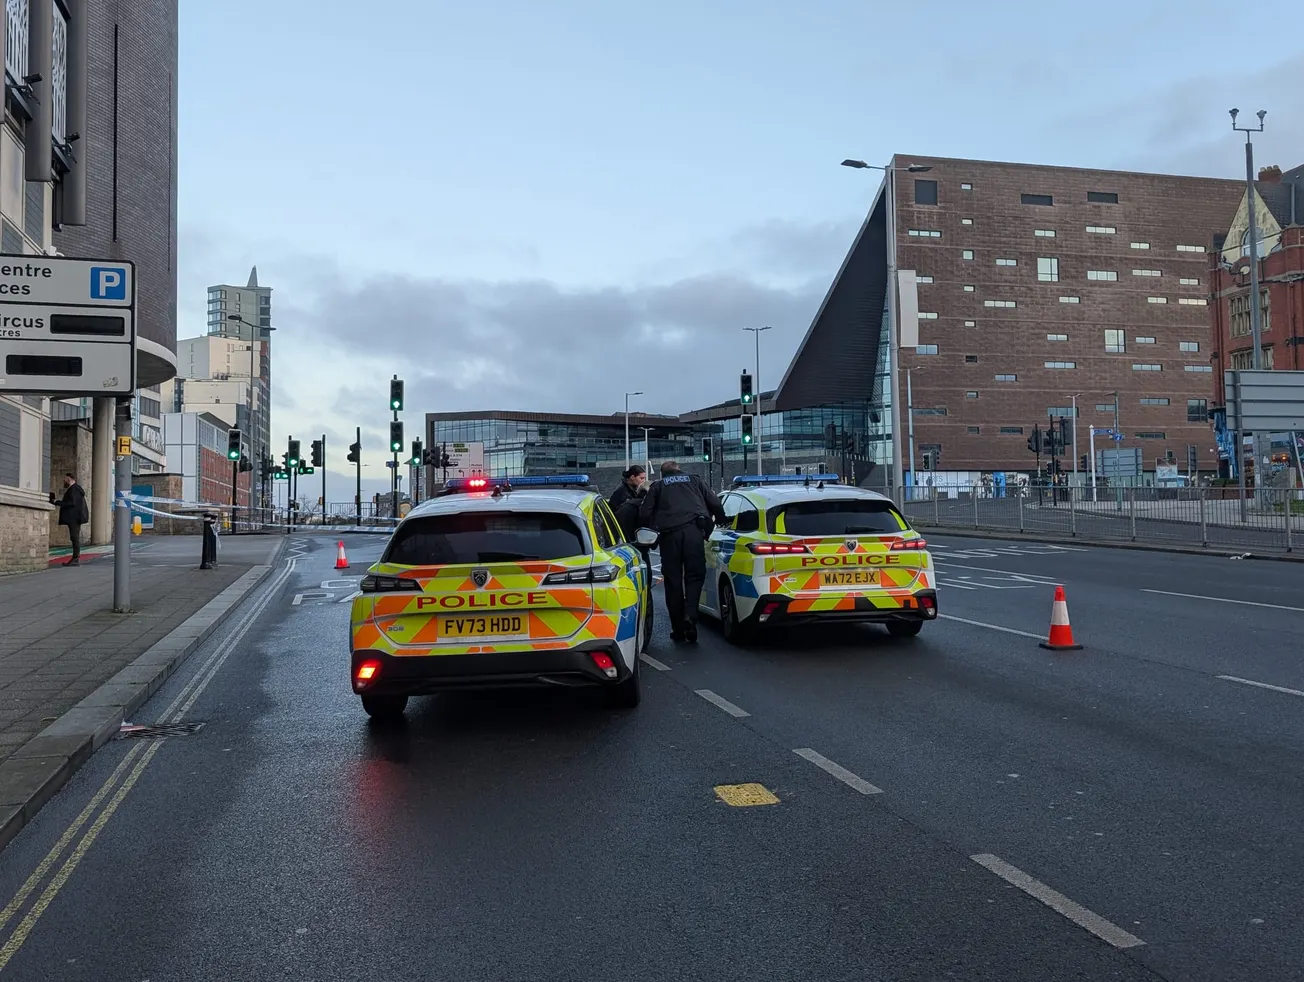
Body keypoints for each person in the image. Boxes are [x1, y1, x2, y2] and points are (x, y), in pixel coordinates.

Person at [639, 460, 725, 644]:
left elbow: (644, 513)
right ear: (679, 470)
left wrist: (653, 530)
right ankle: (690, 616)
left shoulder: (658, 486)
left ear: (663, 474)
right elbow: (715, 503)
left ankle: (678, 628)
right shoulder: (695, 481)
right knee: (695, 576)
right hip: (694, 532)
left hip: (669, 537)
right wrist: (720, 521)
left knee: (673, 582)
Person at [49, 472, 89, 567]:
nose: (64, 480)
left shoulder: (74, 489)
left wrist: (57, 502)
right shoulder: (75, 489)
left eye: (65, 478)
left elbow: (71, 503)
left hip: (74, 518)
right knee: (74, 537)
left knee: (74, 538)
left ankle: (75, 559)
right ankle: (75, 558)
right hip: (75, 517)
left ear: (69, 479)